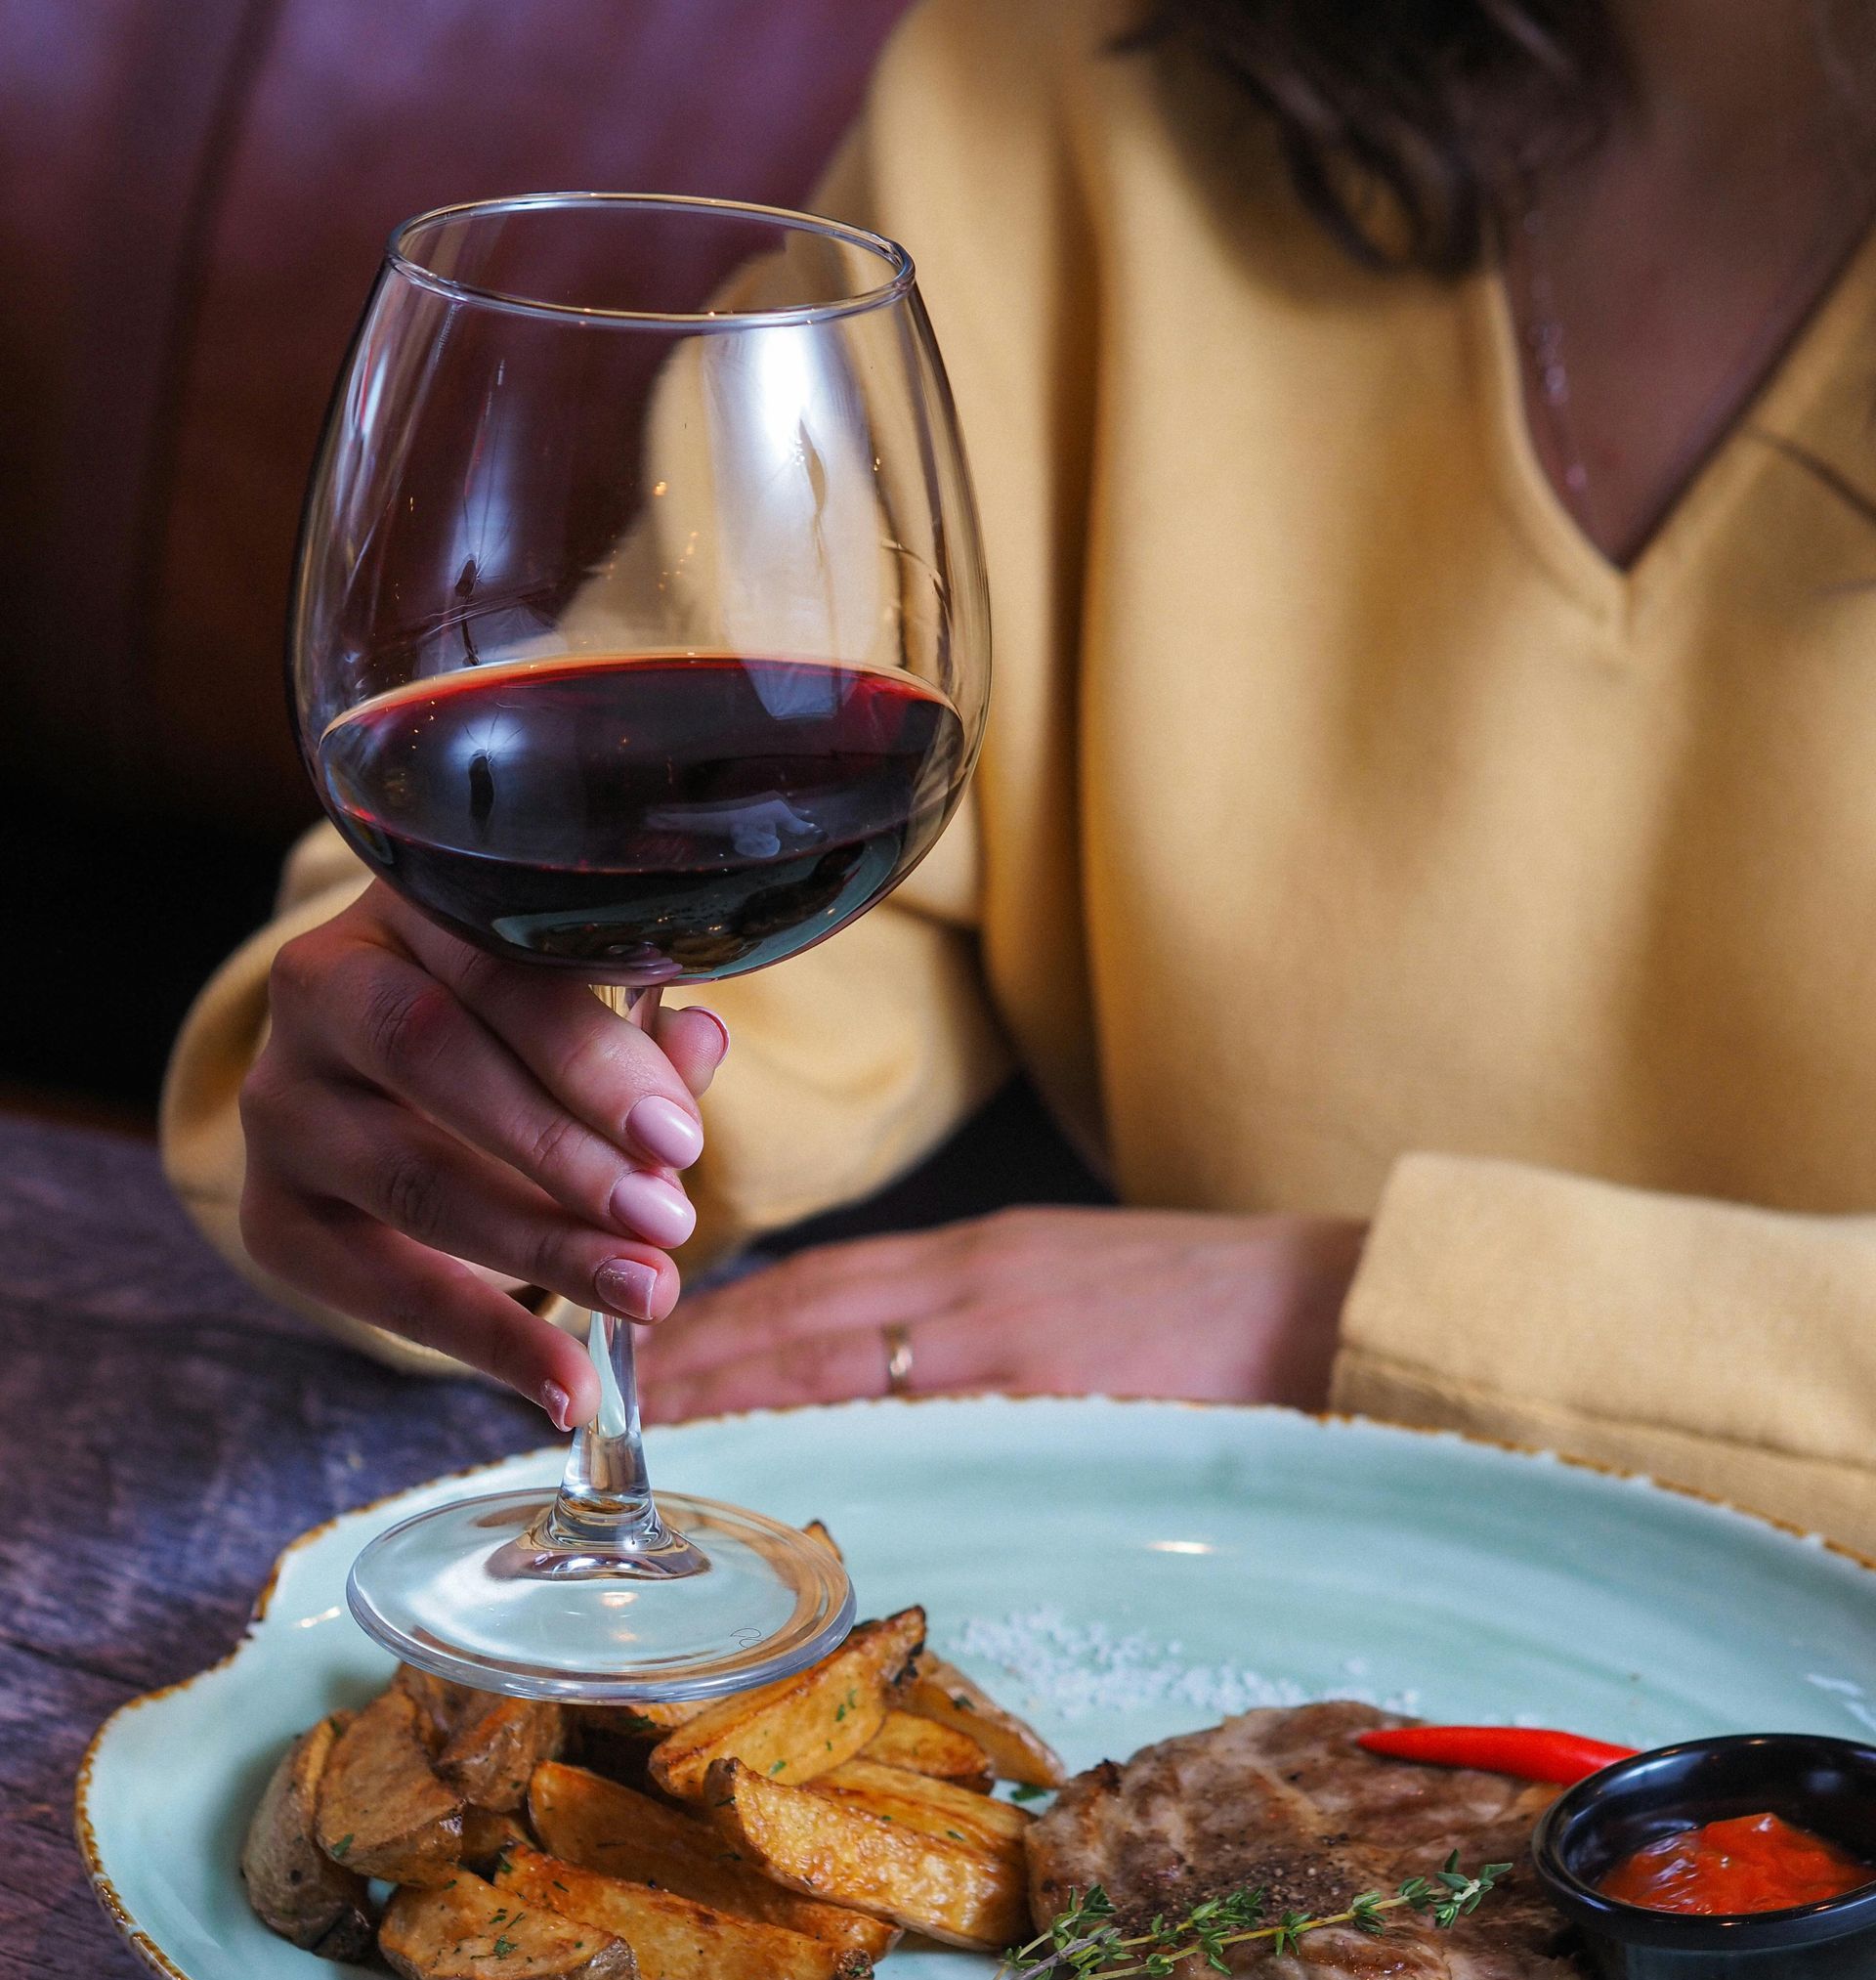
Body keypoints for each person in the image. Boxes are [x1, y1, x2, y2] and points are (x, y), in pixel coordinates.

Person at [163, 0, 1876, 1547]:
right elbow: (693, 784)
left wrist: (1339, 1319)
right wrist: (443, 1122)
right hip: (1222, 1594)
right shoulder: (1081, 71)